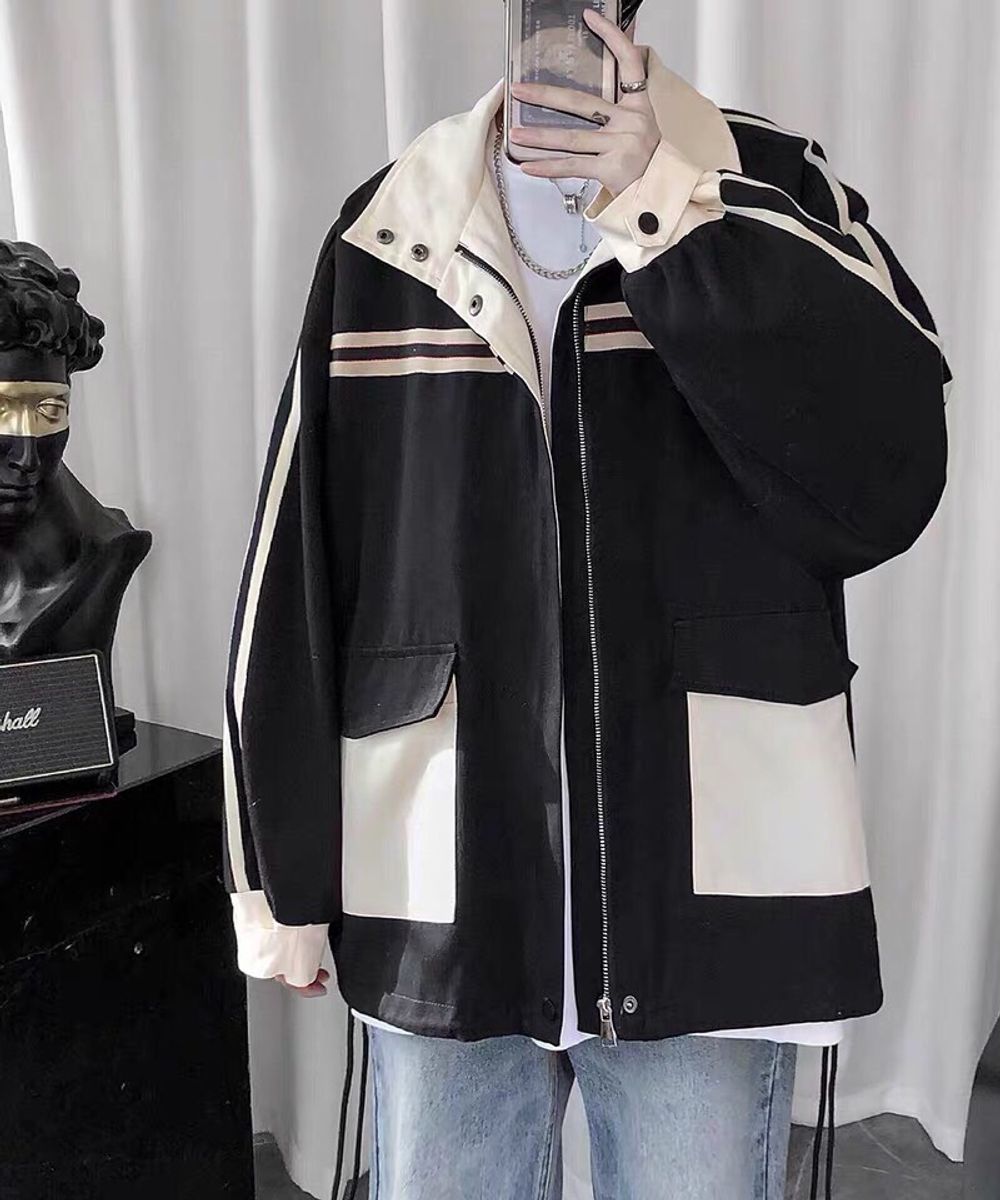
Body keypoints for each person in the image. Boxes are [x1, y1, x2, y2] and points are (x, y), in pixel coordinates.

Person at [223, 5, 950, 1197]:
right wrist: (280, 875)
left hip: (709, 888)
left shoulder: (765, 185)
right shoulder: (392, 226)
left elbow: (888, 481)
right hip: (444, 880)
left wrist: (668, 210)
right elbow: (295, 564)